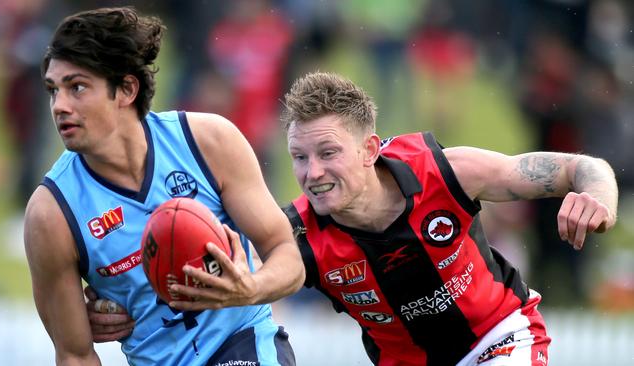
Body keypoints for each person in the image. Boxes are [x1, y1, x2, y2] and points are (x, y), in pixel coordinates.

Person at [88, 72, 618, 365]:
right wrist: (120, 306)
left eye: (328, 153)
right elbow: (229, 276)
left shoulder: (443, 171)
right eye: (299, 157)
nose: (312, 173)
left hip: (500, 339)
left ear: (369, 149)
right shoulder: (295, 231)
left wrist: (598, 195)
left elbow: (581, 167)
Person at [23, 7, 304, 366]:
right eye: (53, 90)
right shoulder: (51, 214)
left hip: (244, 344)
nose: (59, 106)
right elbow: (75, 355)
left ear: (126, 90)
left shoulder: (207, 141)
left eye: (77, 87)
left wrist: (248, 289)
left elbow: (288, 257)